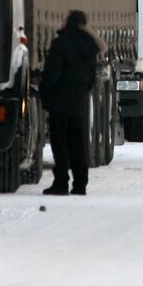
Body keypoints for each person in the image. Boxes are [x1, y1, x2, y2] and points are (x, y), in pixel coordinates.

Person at [38, 10, 106, 196]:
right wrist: (82, 91)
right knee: (79, 144)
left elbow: (52, 73)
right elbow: (92, 77)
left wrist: (45, 93)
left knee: (60, 144)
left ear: (69, 22)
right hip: (79, 101)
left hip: (59, 101)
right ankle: (80, 184)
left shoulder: (61, 43)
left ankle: (61, 183)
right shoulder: (90, 46)